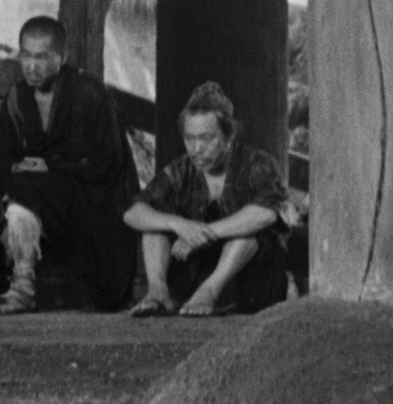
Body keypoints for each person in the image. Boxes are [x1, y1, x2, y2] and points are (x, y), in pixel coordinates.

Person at [0, 16, 138, 314]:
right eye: (26, 56)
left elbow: (109, 162)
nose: (32, 66)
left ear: (62, 57)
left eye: (42, 57)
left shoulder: (90, 94)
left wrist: (50, 165)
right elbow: (4, 158)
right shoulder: (18, 97)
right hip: (34, 186)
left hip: (83, 193)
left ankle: (23, 288)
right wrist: (23, 167)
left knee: (23, 196)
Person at [124, 81, 289, 317]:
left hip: (252, 284)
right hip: (195, 276)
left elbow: (266, 214)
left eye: (207, 138)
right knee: (155, 224)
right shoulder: (181, 170)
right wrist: (178, 224)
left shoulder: (258, 164)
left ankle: (209, 292)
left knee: (246, 233)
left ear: (228, 136)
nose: (197, 148)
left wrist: (203, 234)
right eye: (189, 138)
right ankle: (158, 293)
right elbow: (132, 212)